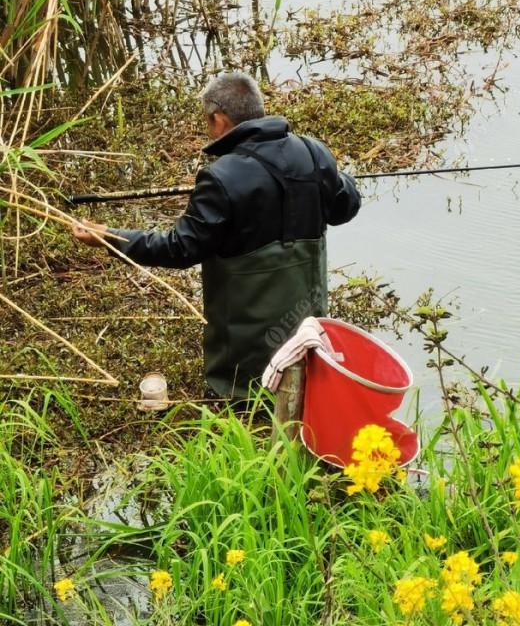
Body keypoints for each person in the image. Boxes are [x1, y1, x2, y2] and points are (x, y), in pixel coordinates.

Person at [73, 72, 361, 398]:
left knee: (243, 393)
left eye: (208, 122)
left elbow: (180, 249)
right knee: (303, 370)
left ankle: (242, 399)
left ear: (219, 118)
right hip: (305, 342)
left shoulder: (220, 177)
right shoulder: (314, 153)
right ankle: (303, 380)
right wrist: (328, 174)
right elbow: (345, 207)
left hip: (244, 369)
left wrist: (110, 237)